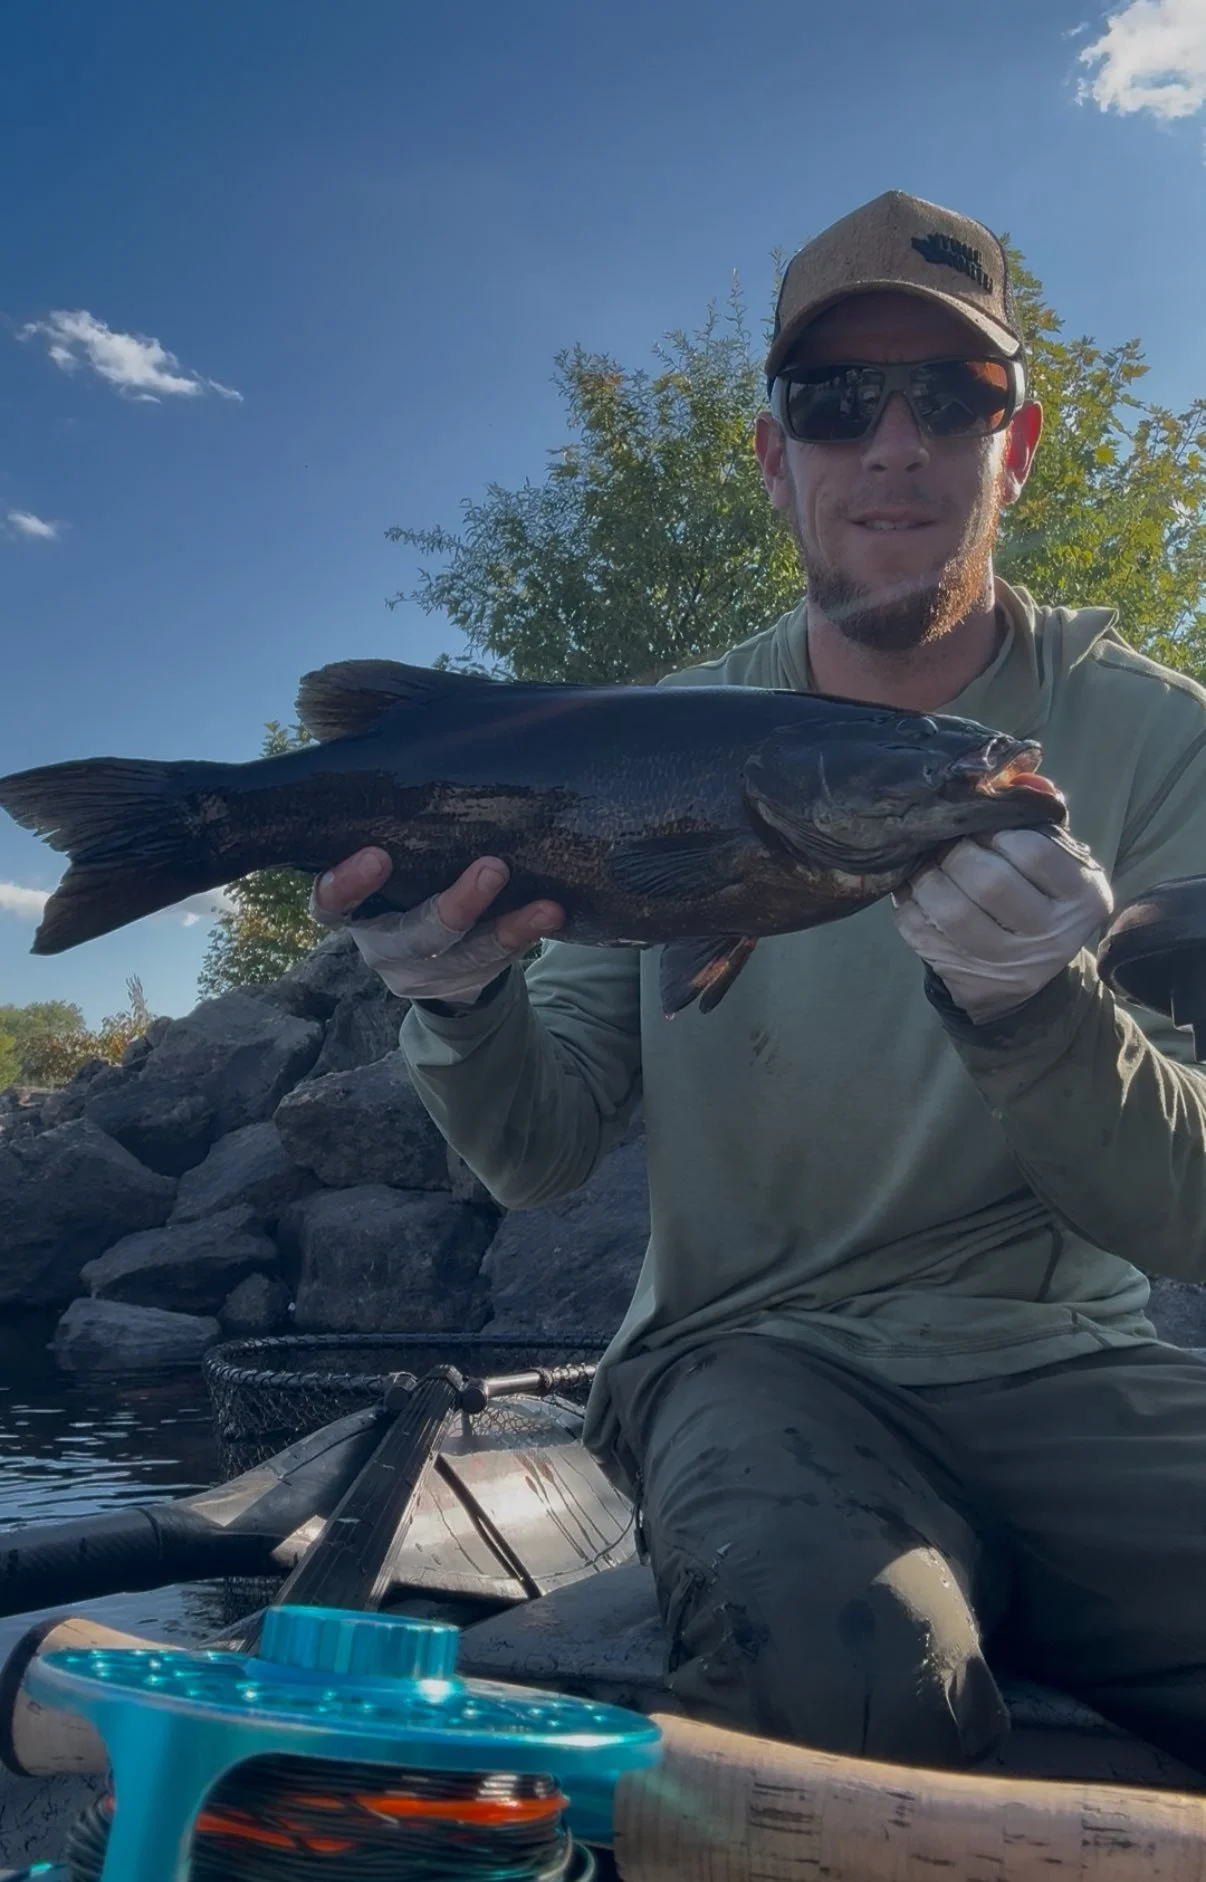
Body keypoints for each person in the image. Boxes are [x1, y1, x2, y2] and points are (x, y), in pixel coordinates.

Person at [312, 190, 1206, 1776]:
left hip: (1071, 1360)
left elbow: (1187, 1212)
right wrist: (452, 999)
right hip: (750, 1352)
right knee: (852, 1682)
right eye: (835, 398)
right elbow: (540, 1149)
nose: (893, 443)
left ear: (1020, 444)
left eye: (950, 397)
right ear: (770, 454)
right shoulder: (649, 734)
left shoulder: (1156, 740)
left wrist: (1035, 1014)